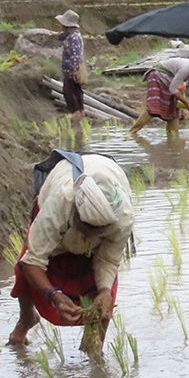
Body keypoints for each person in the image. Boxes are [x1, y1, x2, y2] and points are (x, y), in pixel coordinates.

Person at [8, 150, 135, 352]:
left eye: (98, 232)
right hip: (62, 187)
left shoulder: (123, 218)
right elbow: (32, 261)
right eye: (88, 229)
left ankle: (93, 348)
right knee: (24, 270)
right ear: (76, 214)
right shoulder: (61, 202)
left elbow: (108, 261)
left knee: (104, 295)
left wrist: (103, 292)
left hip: (107, 175)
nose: (91, 237)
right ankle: (26, 320)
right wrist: (54, 295)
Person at [130, 54, 189, 137]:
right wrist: (186, 103)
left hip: (171, 81)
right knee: (153, 109)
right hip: (158, 76)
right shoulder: (186, 69)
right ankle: (132, 132)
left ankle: (172, 137)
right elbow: (173, 89)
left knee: (174, 111)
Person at [56, 9, 86, 118]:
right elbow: (62, 36)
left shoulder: (73, 37)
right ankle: (80, 110)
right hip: (72, 68)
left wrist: (74, 70)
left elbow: (75, 54)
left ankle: (75, 111)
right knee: (77, 90)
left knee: (69, 90)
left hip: (72, 69)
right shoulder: (72, 34)